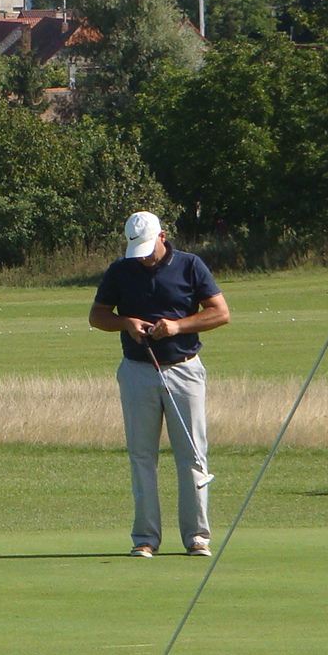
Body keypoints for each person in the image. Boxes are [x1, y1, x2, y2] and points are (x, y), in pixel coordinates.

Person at [89, 211, 230, 558]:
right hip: (138, 371)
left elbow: (220, 312)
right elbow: (97, 315)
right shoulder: (121, 269)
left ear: (163, 236)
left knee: (193, 455)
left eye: (149, 247)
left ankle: (197, 537)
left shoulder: (190, 265)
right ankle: (145, 538)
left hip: (184, 369)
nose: (145, 255)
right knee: (142, 457)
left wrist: (177, 327)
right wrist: (126, 323)